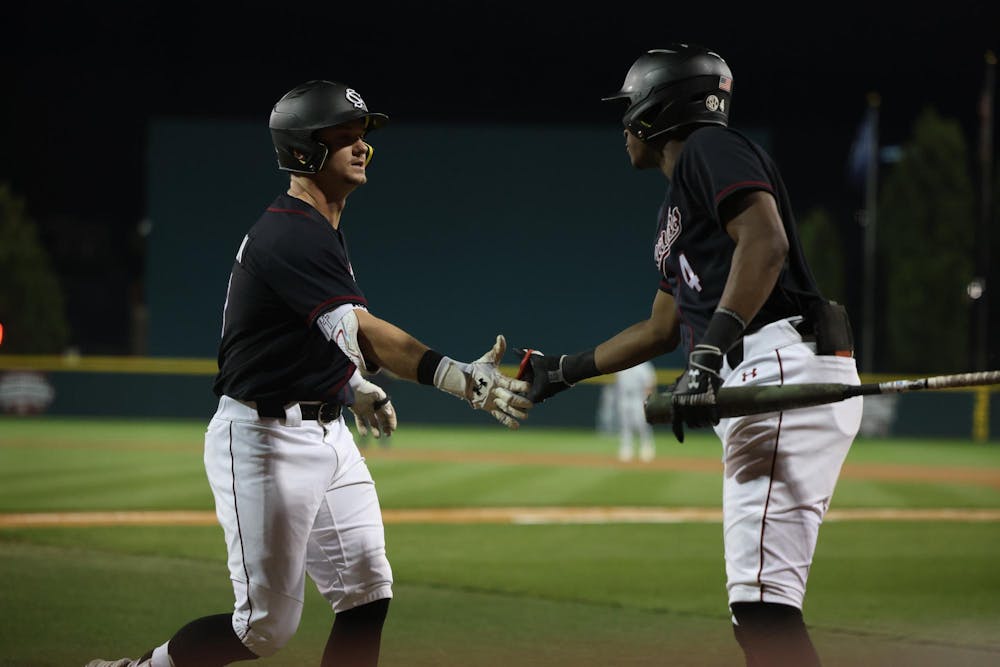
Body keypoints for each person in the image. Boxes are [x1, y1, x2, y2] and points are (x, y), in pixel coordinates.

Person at [86, 79, 532, 667]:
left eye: (363, 135)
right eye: (343, 137)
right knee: (264, 629)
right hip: (265, 439)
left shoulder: (318, 227)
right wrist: (455, 376)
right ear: (302, 151)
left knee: (368, 592)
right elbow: (360, 329)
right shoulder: (290, 232)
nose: (361, 146)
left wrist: (349, 385)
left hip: (326, 433)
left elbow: (300, 336)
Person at [517, 44, 862, 667]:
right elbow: (658, 327)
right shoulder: (679, 199)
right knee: (763, 606)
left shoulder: (708, 148)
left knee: (761, 610)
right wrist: (564, 370)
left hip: (775, 360)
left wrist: (706, 357)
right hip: (767, 365)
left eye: (629, 109)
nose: (623, 125)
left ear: (658, 109)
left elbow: (766, 241)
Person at [612, 361, 657, 462]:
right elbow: (617, 383)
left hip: (639, 397)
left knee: (642, 423)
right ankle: (626, 448)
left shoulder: (643, 366)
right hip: (623, 397)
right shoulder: (622, 365)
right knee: (625, 425)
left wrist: (648, 400)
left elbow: (649, 383)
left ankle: (646, 447)